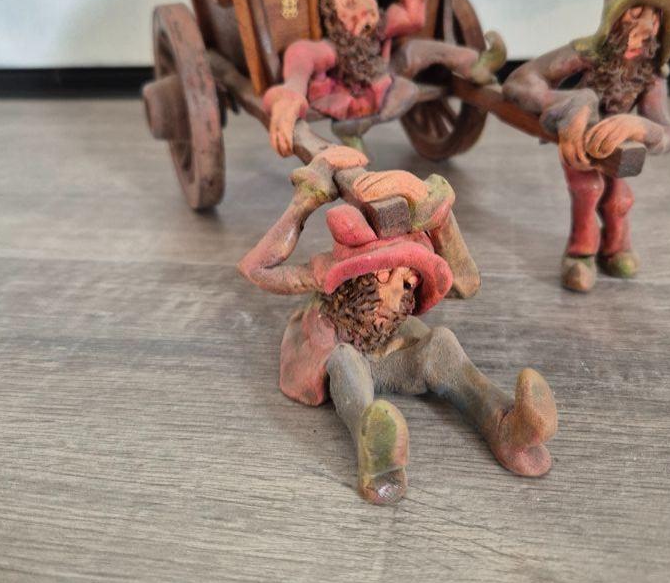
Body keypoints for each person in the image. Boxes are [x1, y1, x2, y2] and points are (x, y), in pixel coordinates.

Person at [238, 146, 557, 504]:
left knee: (441, 344)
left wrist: (439, 215)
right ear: (352, 277)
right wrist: (306, 199)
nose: (395, 292)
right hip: (338, 351)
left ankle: (508, 426)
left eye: (408, 282)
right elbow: (255, 269)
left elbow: (466, 284)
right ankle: (377, 454)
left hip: (390, 352)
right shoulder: (326, 274)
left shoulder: (399, 318)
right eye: (383, 274)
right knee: (345, 360)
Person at [503, 0, 670, 292]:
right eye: (634, 15)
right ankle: (580, 253)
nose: (645, 29)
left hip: (615, 144)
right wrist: (574, 103)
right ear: (613, 19)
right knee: (588, 186)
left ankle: (616, 247)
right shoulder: (587, 53)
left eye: (653, 18)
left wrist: (641, 126)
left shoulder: (651, 74)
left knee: (619, 198)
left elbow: (668, 134)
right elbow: (518, 84)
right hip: (578, 136)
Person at [263, 0, 502, 157]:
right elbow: (301, 54)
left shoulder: (380, 26)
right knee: (407, 90)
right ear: (334, 18)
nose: (363, 8)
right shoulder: (334, 47)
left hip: (382, 75)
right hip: (350, 94)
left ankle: (475, 65)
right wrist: (291, 92)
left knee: (414, 52)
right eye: (350, 4)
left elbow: (413, 16)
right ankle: (354, 125)